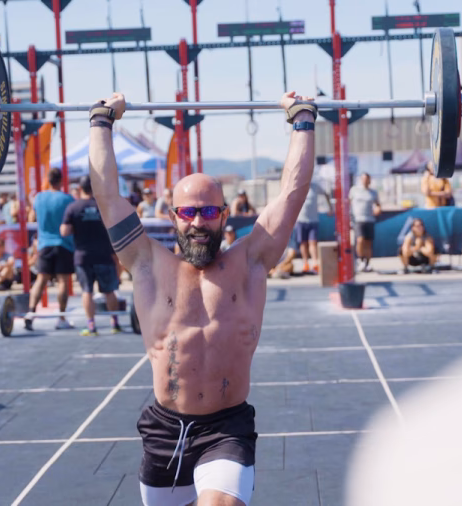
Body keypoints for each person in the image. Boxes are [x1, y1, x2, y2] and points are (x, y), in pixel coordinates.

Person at [89, 90, 317, 505]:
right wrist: (101, 122)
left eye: (209, 212)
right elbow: (107, 195)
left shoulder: (250, 262)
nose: (198, 222)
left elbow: (292, 194)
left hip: (226, 429)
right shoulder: (146, 263)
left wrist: (302, 121)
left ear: (224, 216)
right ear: (173, 216)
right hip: (164, 432)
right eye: (188, 212)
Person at [62, 176, 122, 336]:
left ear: (80, 189)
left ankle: (91, 326)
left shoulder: (73, 207)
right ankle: (115, 323)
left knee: (87, 291)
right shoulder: (103, 207)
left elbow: (64, 231)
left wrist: (78, 227)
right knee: (109, 291)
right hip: (104, 255)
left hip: (83, 256)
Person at [26, 167, 75, 331]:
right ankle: (61, 318)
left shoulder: (39, 198)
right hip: (63, 244)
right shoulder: (67, 199)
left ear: (48, 180)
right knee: (63, 281)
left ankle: (30, 313)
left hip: (44, 244)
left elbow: (31, 217)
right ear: (61, 180)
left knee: (41, 279)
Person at [295, 181, 333, 273]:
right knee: (303, 243)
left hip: (313, 220)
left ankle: (315, 263)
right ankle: (305, 263)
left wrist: (330, 208)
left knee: (313, 242)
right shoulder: (298, 186)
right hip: (301, 220)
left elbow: (326, 194)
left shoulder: (315, 186)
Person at [349, 173, 381, 272]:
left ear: (369, 180)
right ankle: (360, 260)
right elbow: (348, 202)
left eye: (367, 179)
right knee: (360, 240)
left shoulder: (373, 192)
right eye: (363, 179)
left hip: (370, 220)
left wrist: (378, 209)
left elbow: (378, 204)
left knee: (368, 243)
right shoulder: (354, 190)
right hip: (358, 220)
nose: (365, 181)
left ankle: (367, 263)